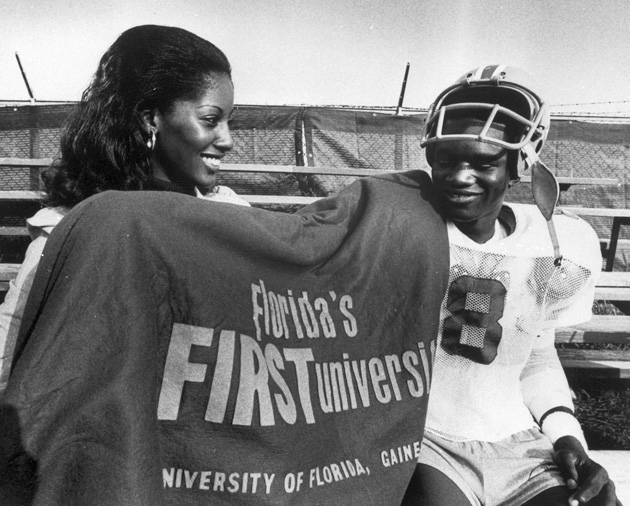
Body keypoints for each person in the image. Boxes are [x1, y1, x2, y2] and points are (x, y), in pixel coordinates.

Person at [402, 65, 620, 506]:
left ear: (521, 162)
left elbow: (534, 355)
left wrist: (567, 437)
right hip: (424, 438)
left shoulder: (555, 246)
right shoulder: (402, 225)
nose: (461, 177)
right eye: (447, 160)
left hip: (519, 443)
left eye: (483, 162)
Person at [0, 24, 249, 392]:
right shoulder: (69, 228)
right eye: (210, 120)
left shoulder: (235, 218)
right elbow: (8, 358)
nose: (227, 140)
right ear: (151, 118)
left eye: (230, 122)